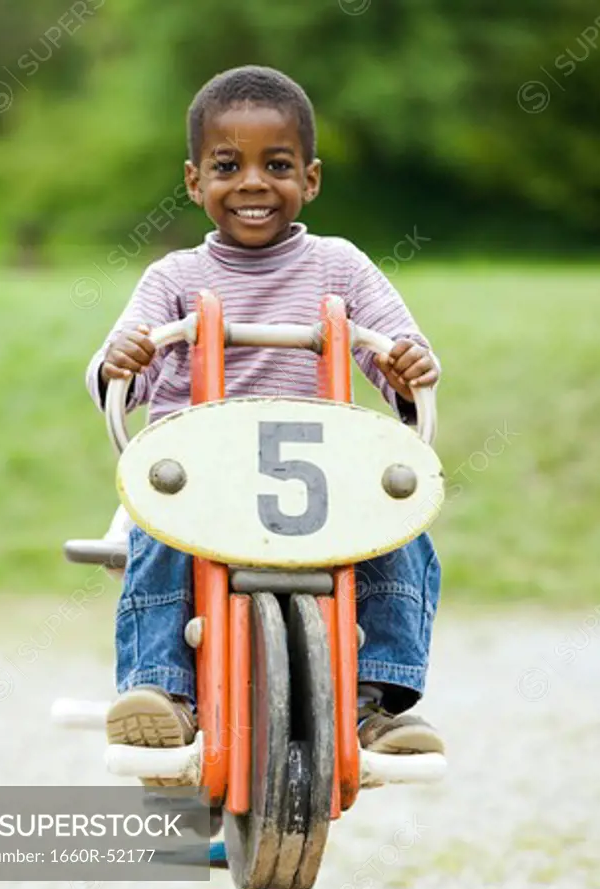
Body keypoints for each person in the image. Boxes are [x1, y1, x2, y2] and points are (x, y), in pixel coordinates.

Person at [86, 65, 444, 759]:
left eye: (275, 165)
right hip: (198, 478)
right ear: (194, 182)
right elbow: (115, 379)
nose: (252, 182)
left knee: (403, 528)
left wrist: (407, 369)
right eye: (228, 165)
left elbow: (399, 353)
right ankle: (162, 691)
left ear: (309, 179)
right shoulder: (174, 278)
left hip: (316, 478)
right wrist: (119, 362)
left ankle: (379, 700)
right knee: (157, 535)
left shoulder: (338, 267)